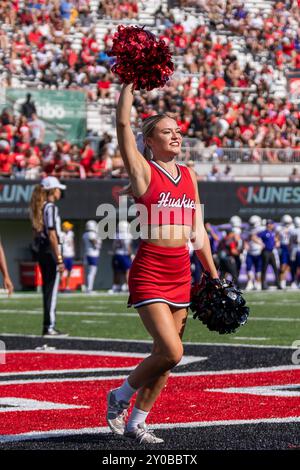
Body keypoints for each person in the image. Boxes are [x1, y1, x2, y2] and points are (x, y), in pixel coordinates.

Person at [106, 83, 219, 445]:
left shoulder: (189, 175)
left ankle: (136, 423)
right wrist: (127, 84)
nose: (176, 136)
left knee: (166, 359)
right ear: (150, 140)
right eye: (167, 132)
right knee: (172, 351)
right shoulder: (143, 171)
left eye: (178, 131)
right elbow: (123, 125)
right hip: (151, 269)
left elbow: (197, 228)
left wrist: (213, 275)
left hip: (181, 271)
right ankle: (120, 396)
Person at [29, 176, 68, 336]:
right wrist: (59, 258)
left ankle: (48, 324)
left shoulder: (39, 207)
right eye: (58, 189)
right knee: (51, 290)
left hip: (42, 250)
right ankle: (49, 326)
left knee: (47, 288)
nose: (60, 192)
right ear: (52, 190)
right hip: (50, 251)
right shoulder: (50, 207)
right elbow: (52, 234)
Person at [109, 221, 133, 294]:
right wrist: (131, 254)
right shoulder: (128, 235)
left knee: (116, 272)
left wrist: (113, 252)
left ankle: (115, 287)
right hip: (124, 255)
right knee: (127, 271)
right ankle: (128, 287)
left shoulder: (116, 235)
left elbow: (113, 246)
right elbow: (128, 246)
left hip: (116, 255)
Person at [258, 220, 281, 290]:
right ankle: (263, 284)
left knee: (275, 268)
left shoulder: (273, 233)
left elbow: (276, 239)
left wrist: (277, 241)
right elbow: (254, 237)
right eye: (270, 224)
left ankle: (278, 283)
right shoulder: (264, 233)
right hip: (265, 252)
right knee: (264, 268)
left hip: (272, 252)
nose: (271, 225)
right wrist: (260, 243)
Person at [82, 220, 102, 294]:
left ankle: (87, 287)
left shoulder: (85, 234)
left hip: (87, 253)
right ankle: (89, 288)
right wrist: (98, 244)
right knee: (92, 272)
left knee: (89, 272)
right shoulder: (91, 234)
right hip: (93, 254)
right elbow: (94, 243)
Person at [61, 221, 75, 292]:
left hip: (70, 255)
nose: (69, 229)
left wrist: (73, 251)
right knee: (61, 272)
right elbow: (60, 245)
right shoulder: (61, 234)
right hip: (64, 255)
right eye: (68, 227)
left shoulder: (71, 234)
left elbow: (72, 242)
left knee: (69, 271)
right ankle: (59, 286)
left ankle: (67, 286)